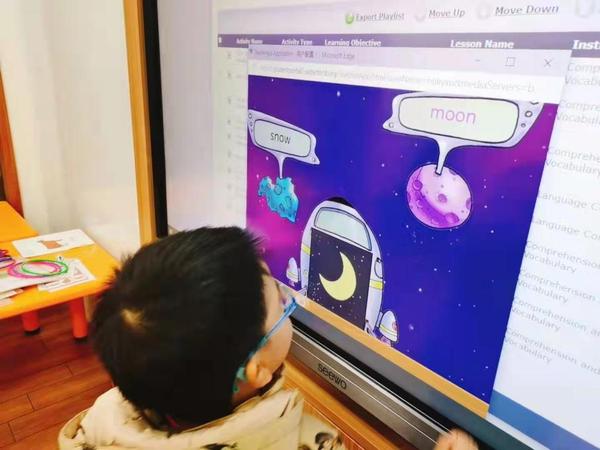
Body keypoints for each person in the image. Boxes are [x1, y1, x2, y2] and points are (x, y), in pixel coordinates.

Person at [58, 227, 477, 450]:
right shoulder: (305, 443)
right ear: (255, 369)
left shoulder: (103, 422)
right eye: (280, 301)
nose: (287, 298)